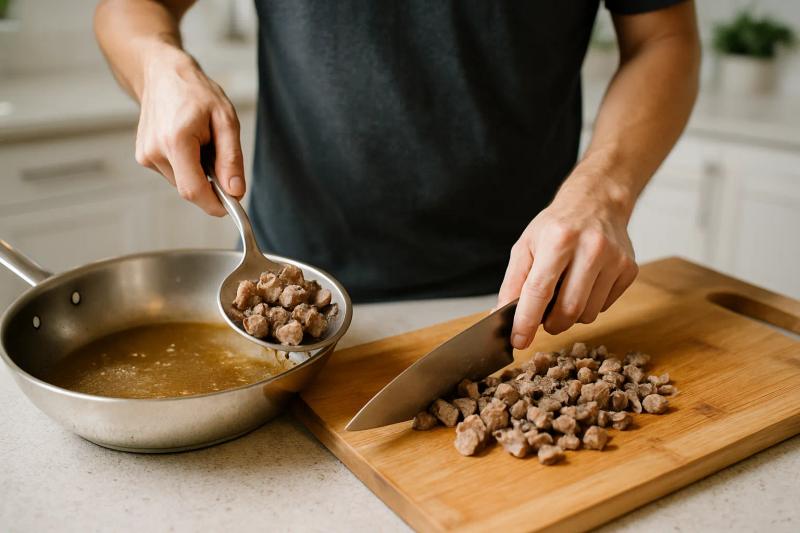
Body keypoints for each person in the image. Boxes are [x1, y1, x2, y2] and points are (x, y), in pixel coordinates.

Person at [94, 1, 700, 350]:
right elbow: (129, 9)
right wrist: (157, 63)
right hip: (295, 285)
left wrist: (604, 190)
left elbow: (663, 36)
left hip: (523, 297)